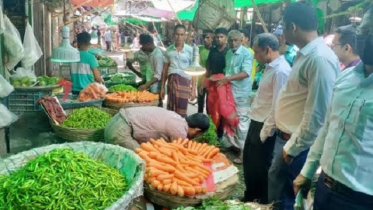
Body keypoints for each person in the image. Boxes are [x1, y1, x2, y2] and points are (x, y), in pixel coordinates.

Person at [293, 6, 373, 209]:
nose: (367, 37)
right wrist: (308, 171)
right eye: (364, 31)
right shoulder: (346, 77)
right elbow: (329, 127)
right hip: (325, 187)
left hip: (360, 199)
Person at [267, 2, 340, 210]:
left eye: (282, 25)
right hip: (288, 140)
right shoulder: (305, 54)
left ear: (292, 26)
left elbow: (318, 113)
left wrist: (293, 147)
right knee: (279, 192)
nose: (281, 31)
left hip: (297, 146)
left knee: (288, 197)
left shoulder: (319, 59)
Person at [242, 33, 291, 204]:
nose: (255, 56)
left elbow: (278, 105)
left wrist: (264, 133)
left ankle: (260, 201)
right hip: (256, 120)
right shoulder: (270, 67)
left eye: (256, 52)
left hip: (265, 125)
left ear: (267, 49)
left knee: (259, 167)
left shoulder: (281, 71)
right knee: (249, 163)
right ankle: (250, 196)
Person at [213, 30, 253, 164]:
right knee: (229, 119)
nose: (233, 43)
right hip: (229, 92)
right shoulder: (229, 53)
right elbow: (228, 72)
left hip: (241, 93)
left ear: (242, 40)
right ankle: (233, 146)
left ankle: (243, 153)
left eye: (236, 40)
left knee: (242, 121)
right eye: (231, 40)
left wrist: (227, 79)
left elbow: (246, 73)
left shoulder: (247, 53)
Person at [104, 107, 210, 151]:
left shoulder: (177, 118)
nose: (196, 137)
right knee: (142, 158)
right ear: (196, 130)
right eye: (198, 135)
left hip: (116, 120)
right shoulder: (180, 132)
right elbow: (174, 153)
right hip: (118, 131)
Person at [160, 25, 195, 118]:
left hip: (185, 83)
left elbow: (194, 71)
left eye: (181, 34)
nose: (179, 37)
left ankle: (181, 128)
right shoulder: (169, 50)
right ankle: (171, 129)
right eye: (177, 34)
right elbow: (165, 70)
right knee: (171, 110)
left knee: (182, 109)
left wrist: (193, 89)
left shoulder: (190, 51)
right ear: (173, 35)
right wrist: (162, 87)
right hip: (172, 82)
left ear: (185, 36)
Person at [200, 27, 229, 138]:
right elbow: (208, 67)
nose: (219, 39)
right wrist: (204, 82)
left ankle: (220, 135)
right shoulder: (213, 51)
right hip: (212, 84)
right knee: (210, 108)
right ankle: (211, 132)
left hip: (223, 85)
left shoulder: (229, 52)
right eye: (217, 37)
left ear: (226, 38)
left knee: (221, 110)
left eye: (221, 37)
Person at [126, 34, 164, 106]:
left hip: (155, 87)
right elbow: (129, 62)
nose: (142, 48)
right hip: (148, 83)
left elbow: (158, 75)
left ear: (148, 44)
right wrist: (139, 74)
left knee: (156, 105)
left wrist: (146, 85)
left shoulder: (157, 55)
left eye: (143, 46)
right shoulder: (151, 53)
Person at [197, 30, 214, 113]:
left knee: (209, 104)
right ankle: (199, 123)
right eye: (204, 37)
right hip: (200, 79)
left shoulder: (214, 51)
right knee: (200, 103)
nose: (205, 39)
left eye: (207, 37)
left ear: (212, 39)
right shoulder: (199, 49)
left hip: (209, 79)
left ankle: (208, 123)